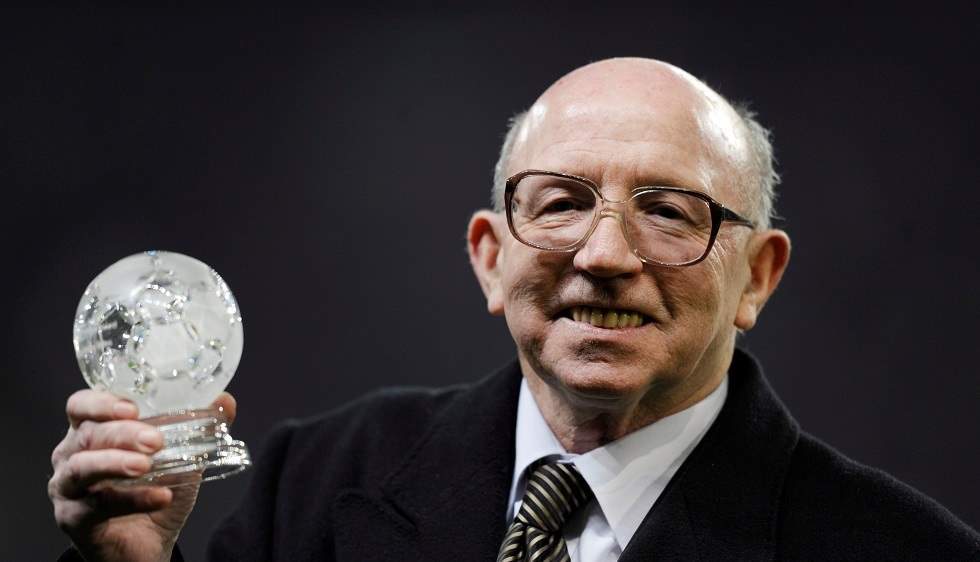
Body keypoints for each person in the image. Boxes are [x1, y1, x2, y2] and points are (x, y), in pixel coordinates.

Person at [50, 57, 978, 561]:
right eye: (562, 202)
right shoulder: (318, 484)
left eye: (667, 212)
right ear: (491, 259)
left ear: (758, 278)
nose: (605, 255)